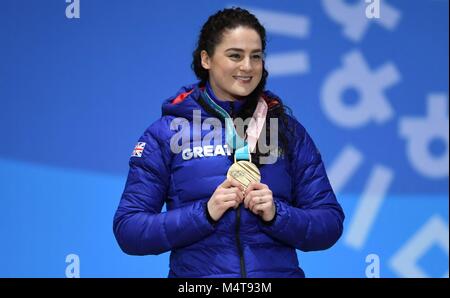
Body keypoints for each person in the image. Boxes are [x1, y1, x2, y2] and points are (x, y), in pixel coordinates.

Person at [113, 7, 344, 278]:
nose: (247, 67)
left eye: (255, 56)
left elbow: (329, 222)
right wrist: (204, 213)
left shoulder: (286, 130)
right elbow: (129, 229)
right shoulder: (165, 134)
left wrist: (276, 214)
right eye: (235, 55)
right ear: (206, 59)